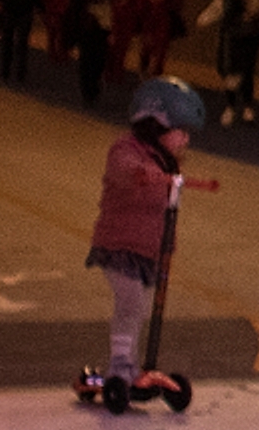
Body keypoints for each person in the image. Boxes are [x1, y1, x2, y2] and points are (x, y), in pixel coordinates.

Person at [87, 78, 206, 395]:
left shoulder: (167, 162)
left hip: (148, 250)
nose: (185, 139)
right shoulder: (128, 150)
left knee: (141, 307)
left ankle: (134, 367)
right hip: (119, 245)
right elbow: (123, 169)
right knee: (131, 303)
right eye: (180, 131)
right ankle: (120, 368)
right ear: (155, 124)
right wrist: (145, 175)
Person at [60, 0, 125, 109]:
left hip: (103, 20)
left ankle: (95, 82)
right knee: (86, 56)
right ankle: (87, 90)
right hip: (85, 21)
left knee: (99, 57)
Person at [124, 0, 178, 79]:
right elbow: (139, 6)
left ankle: (154, 75)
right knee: (147, 50)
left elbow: (174, 3)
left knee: (159, 52)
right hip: (148, 24)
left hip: (162, 23)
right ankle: (145, 73)